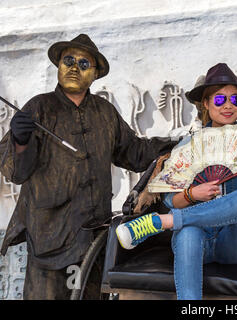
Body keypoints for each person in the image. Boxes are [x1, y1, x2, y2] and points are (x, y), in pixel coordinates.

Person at [0, 34, 178, 299]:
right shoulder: (39, 108)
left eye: (84, 64)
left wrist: (178, 144)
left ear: (94, 74)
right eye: (68, 60)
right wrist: (21, 140)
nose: (74, 67)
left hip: (93, 236)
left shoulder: (104, 112)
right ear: (59, 66)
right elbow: (15, 172)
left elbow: (135, 152)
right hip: (49, 235)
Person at [116, 63, 237, 300]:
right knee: (188, 234)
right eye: (220, 100)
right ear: (206, 103)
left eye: (236, 100)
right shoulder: (187, 146)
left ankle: (163, 222)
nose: (229, 105)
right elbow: (172, 198)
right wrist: (193, 194)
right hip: (198, 238)